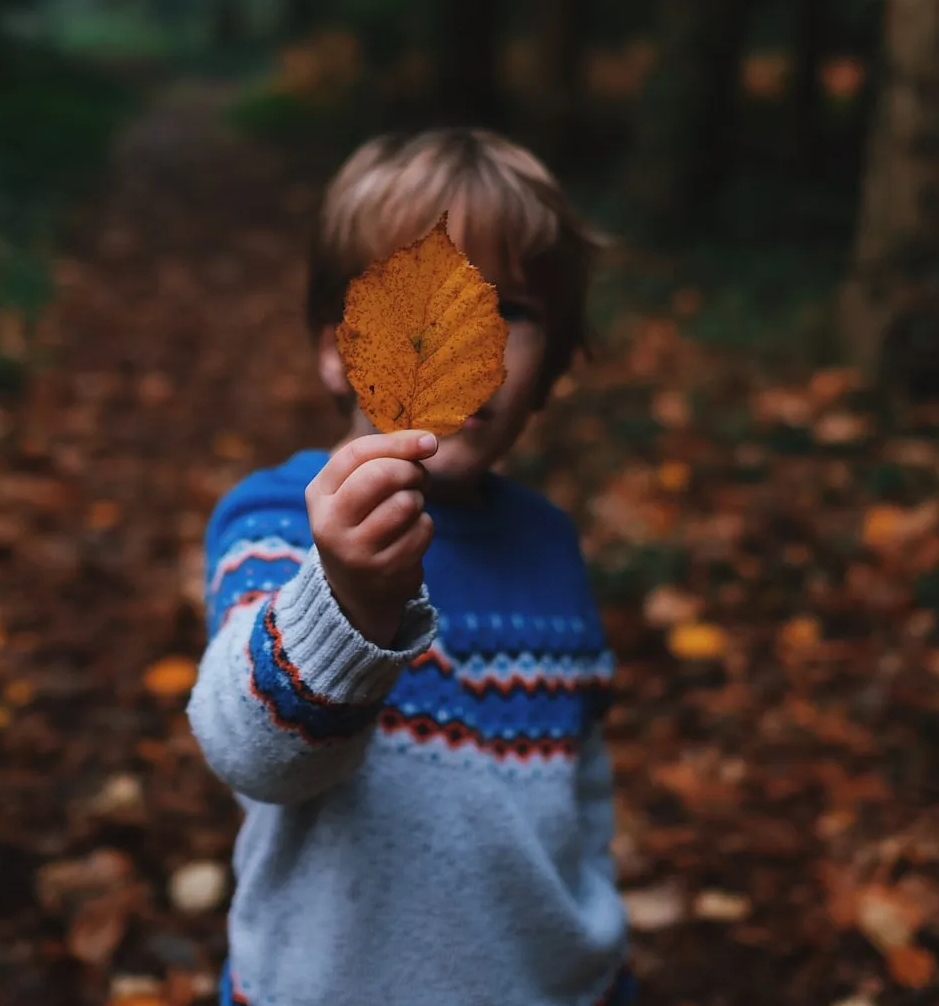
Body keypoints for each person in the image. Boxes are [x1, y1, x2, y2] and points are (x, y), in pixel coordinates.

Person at [188, 128, 634, 1005]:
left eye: (511, 310)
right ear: (337, 347)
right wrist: (347, 601)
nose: (469, 339)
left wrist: (599, 960)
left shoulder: (549, 546)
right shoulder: (281, 523)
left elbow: (581, 802)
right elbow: (256, 755)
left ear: (553, 367)